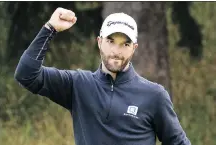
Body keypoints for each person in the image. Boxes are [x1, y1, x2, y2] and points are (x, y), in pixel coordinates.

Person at [14, 7, 191, 145]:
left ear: (134, 48)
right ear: (99, 42)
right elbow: (26, 74)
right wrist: (50, 28)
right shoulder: (78, 85)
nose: (116, 51)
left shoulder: (154, 95)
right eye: (110, 41)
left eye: (125, 44)